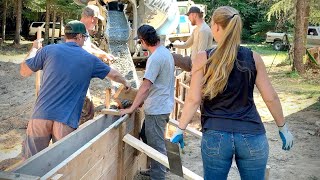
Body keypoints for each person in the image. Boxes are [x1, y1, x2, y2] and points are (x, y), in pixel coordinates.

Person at [170, 6, 294, 180]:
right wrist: (283, 127)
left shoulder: (203, 57)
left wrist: (180, 129)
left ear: (217, 27)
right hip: (252, 135)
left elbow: (193, 99)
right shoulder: (254, 58)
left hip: (216, 136)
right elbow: (271, 97)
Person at [20, 20, 131, 159]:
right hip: (65, 120)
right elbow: (113, 74)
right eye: (84, 37)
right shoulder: (89, 59)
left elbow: (24, 71)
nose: (84, 40)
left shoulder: (48, 50)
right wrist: (126, 82)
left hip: (40, 116)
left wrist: (34, 49)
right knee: (63, 164)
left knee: (30, 163)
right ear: (78, 36)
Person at [120, 24, 175, 180]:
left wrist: (132, 108)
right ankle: (157, 168)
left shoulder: (155, 58)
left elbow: (145, 87)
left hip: (157, 108)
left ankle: (158, 175)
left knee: (157, 145)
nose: (140, 44)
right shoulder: (165, 52)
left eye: (140, 41)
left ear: (144, 41)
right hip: (160, 104)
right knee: (146, 135)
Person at [79, 5, 115, 123]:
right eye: (96, 20)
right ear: (92, 18)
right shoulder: (78, 29)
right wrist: (103, 55)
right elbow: (85, 50)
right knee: (87, 112)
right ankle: (81, 137)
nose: (96, 23)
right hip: (75, 77)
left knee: (87, 109)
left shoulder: (84, 30)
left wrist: (103, 52)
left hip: (80, 76)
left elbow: (90, 45)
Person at [170, 6, 213, 72]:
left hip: (198, 67)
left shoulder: (203, 30)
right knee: (171, 56)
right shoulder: (197, 29)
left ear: (194, 15)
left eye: (189, 16)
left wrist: (194, 72)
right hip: (193, 62)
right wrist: (172, 45)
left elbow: (201, 54)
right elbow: (186, 45)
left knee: (172, 57)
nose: (188, 18)